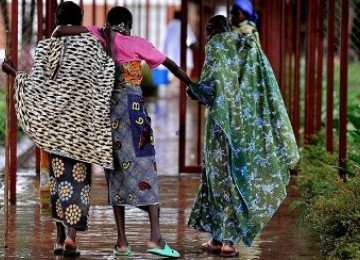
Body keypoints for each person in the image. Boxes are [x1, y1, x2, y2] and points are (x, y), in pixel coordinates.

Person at [52, 6, 193, 258]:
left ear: (108, 22)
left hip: (109, 120)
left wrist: (103, 31)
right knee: (146, 169)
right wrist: (191, 85)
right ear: (128, 24)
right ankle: (155, 238)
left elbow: (63, 30)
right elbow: (170, 64)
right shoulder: (137, 42)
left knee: (114, 175)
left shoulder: (99, 35)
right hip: (135, 118)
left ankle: (122, 243)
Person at [2, 1, 115, 257]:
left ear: (56, 19)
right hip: (80, 131)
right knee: (77, 180)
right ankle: (72, 237)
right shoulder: (93, 45)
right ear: (81, 17)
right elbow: (107, 76)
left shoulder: (46, 46)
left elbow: (37, 86)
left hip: (51, 130)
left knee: (53, 182)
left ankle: (59, 236)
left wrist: (13, 72)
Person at [186, 14, 299, 257]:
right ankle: (220, 240)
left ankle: (225, 242)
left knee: (219, 182)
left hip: (219, 130)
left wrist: (192, 88)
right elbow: (260, 88)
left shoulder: (216, 46)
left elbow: (211, 90)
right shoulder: (248, 46)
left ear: (210, 32)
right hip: (244, 130)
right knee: (238, 181)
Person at [163, 10, 197, 74]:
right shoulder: (185, 25)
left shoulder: (170, 25)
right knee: (186, 77)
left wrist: (164, 52)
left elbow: (165, 41)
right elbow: (192, 39)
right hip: (185, 55)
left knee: (175, 77)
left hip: (172, 55)